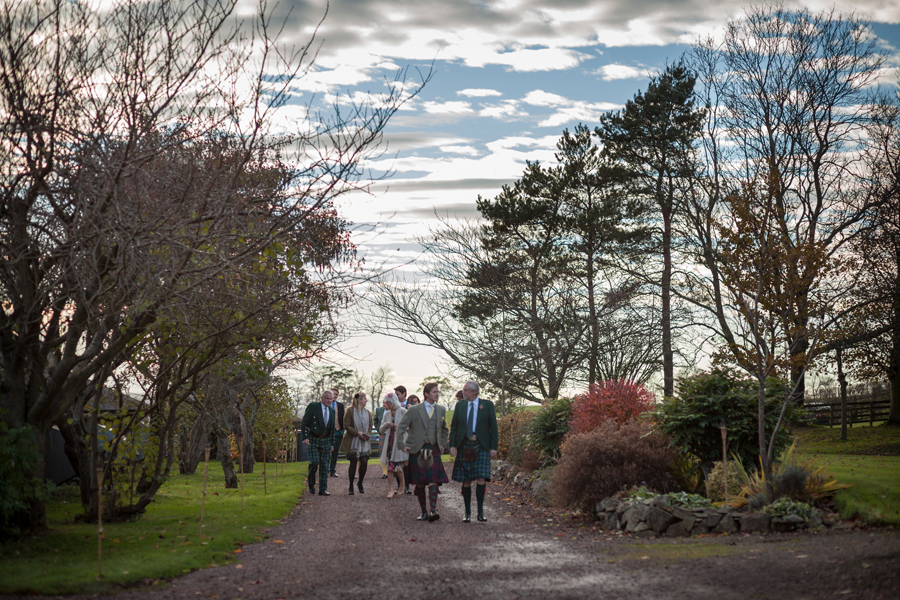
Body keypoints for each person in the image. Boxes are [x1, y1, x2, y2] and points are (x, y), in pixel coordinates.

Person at [397, 382, 449, 522]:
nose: (437, 394)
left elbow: (444, 429)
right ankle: (423, 512)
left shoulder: (441, 409)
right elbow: (401, 427)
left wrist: (442, 443)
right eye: (434, 392)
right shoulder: (414, 410)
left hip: (434, 449)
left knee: (433, 481)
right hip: (417, 450)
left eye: (438, 392)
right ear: (426, 394)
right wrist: (401, 444)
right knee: (420, 483)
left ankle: (432, 511)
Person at [449, 381, 498, 522]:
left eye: (465, 390)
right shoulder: (460, 405)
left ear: (474, 391)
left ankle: (481, 512)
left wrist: (493, 447)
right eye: (464, 390)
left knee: (481, 479)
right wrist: (452, 445)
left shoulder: (487, 405)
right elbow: (454, 427)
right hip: (464, 446)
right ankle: (467, 512)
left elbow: (493, 427)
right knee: (466, 480)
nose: (463, 392)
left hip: (481, 446)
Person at [300, 389, 336, 496]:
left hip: (326, 440)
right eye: (327, 399)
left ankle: (322, 489)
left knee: (325, 465)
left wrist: (332, 443)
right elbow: (304, 422)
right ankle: (311, 484)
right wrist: (305, 437)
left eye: (331, 399)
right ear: (322, 398)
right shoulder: (313, 406)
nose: (329, 401)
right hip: (313, 438)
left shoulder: (332, 411)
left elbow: (332, 428)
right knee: (314, 462)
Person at [339, 392, 373, 495]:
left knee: (364, 461)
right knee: (353, 462)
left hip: (364, 441)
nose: (366, 400)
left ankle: (360, 482)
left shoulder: (367, 412)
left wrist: (367, 434)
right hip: (353, 440)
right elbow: (346, 425)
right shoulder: (350, 411)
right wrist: (357, 433)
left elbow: (370, 425)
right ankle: (350, 485)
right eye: (364, 399)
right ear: (359, 400)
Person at [378, 392, 408, 499]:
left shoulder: (404, 411)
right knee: (390, 466)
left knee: (398, 467)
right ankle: (390, 489)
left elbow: (410, 426)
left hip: (399, 443)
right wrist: (386, 425)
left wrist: (399, 428)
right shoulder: (386, 414)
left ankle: (402, 485)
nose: (387, 404)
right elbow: (381, 429)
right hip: (389, 442)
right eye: (386, 402)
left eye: (389, 402)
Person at [393, 385, 412, 494]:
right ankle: (400, 485)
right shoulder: (393, 408)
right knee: (397, 462)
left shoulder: (412, 406)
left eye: (398, 394)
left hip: (408, 438)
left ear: (404, 393)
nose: (396, 396)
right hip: (396, 438)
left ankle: (408, 486)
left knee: (407, 463)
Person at [329, 387, 345, 477]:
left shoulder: (340, 405)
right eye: (333, 394)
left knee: (335, 453)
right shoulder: (326, 404)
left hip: (338, 431)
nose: (335, 396)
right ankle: (325, 470)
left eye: (336, 394)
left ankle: (332, 470)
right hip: (328, 432)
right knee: (327, 452)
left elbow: (343, 418)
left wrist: (342, 430)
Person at [373, 402, 388, 480]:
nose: (384, 404)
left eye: (386, 403)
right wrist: (378, 429)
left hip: (392, 434)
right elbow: (375, 420)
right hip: (382, 433)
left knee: (391, 453)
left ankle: (393, 471)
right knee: (382, 453)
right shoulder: (379, 410)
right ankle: (385, 472)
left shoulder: (394, 410)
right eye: (383, 402)